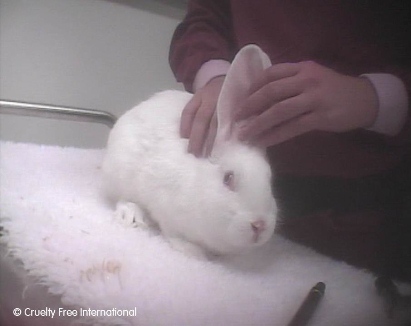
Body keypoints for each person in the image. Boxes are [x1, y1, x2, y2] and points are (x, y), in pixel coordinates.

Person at [169, 1, 411, 279]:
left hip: (369, 217)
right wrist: (214, 77)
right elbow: (205, 17)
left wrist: (373, 97)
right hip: (266, 203)